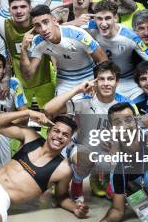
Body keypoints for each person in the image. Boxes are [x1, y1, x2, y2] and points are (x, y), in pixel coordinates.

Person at [44, 61, 133, 198]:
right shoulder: (85, 100)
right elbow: (48, 109)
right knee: (85, 160)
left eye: (110, 79)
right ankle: (77, 181)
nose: (106, 83)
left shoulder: (126, 105)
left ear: (117, 82)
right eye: (101, 79)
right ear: (95, 82)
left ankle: (112, 182)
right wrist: (77, 90)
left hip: (111, 152)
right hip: (83, 149)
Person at [85, 0, 148, 104]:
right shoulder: (89, 27)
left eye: (107, 18)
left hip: (128, 83)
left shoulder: (130, 36)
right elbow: (65, 30)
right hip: (102, 80)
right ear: (95, 19)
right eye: (99, 19)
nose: (103, 23)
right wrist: (73, 22)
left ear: (115, 18)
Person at [21, 4, 107, 98]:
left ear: (54, 20)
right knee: (55, 111)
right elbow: (28, 75)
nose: (43, 29)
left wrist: (98, 83)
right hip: (64, 82)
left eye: (46, 22)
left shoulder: (77, 34)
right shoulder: (37, 42)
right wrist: (23, 50)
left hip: (89, 78)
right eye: (38, 26)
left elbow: (103, 60)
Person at [0, 0, 55, 109]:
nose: (19, 11)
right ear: (9, 10)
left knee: (49, 120)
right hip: (21, 85)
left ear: (30, 8)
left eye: (23, 6)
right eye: (15, 7)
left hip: (46, 82)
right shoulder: (3, 25)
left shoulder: (40, 23)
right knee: (22, 121)